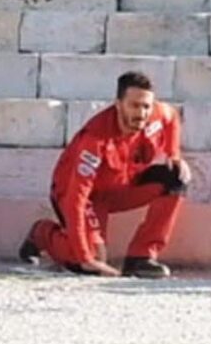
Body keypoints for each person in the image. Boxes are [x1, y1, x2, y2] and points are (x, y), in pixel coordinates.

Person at [21, 71, 190, 279]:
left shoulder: (156, 114)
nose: (142, 113)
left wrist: (174, 154)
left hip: (123, 187)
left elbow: (171, 116)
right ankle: (43, 234)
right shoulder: (95, 139)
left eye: (146, 106)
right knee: (91, 261)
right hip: (80, 196)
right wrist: (86, 258)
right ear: (118, 104)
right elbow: (76, 198)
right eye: (134, 106)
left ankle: (141, 257)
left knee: (176, 179)